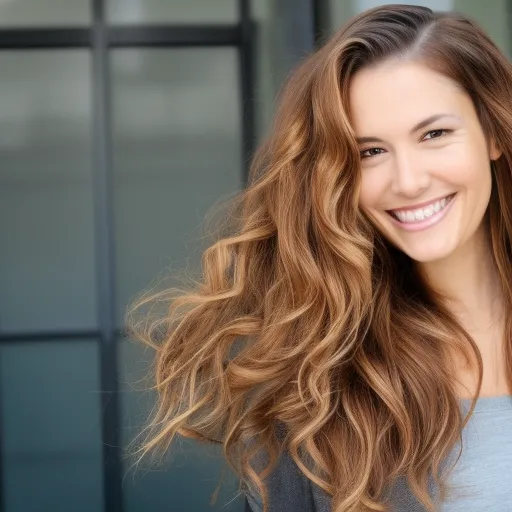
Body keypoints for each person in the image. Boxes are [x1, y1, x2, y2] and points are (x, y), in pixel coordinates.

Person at [126, 4, 512, 511]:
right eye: (369, 152)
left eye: (434, 134)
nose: (409, 181)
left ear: (491, 132)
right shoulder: (331, 392)